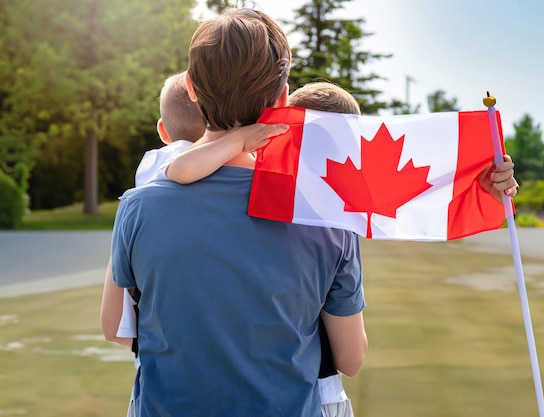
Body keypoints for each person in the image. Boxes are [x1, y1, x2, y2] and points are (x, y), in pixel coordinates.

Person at [109, 9, 368, 417]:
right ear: (284, 99)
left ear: (191, 88)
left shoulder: (137, 208)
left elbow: (120, 328)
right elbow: (350, 360)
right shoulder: (325, 219)